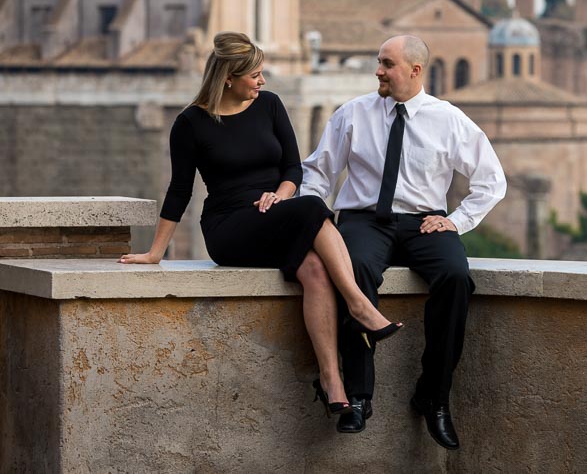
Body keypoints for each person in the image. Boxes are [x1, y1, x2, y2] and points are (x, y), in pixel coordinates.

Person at [118, 31, 401, 417]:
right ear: (228, 77)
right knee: (313, 207)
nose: (262, 81)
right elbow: (179, 190)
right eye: (254, 75)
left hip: (277, 212)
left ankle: (332, 380)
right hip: (229, 227)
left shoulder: (269, 105)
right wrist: (155, 252)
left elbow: (291, 168)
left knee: (315, 269)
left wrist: (281, 195)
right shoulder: (190, 123)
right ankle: (358, 303)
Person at [301, 34, 506, 450]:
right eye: (378, 61)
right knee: (353, 271)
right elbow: (318, 173)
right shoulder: (353, 113)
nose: (378, 70)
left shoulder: (448, 119)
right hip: (362, 221)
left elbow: (492, 180)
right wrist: (317, 219)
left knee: (455, 277)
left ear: (415, 70)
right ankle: (358, 397)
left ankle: (434, 395)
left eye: (387, 64)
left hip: (424, 222)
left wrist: (457, 221)